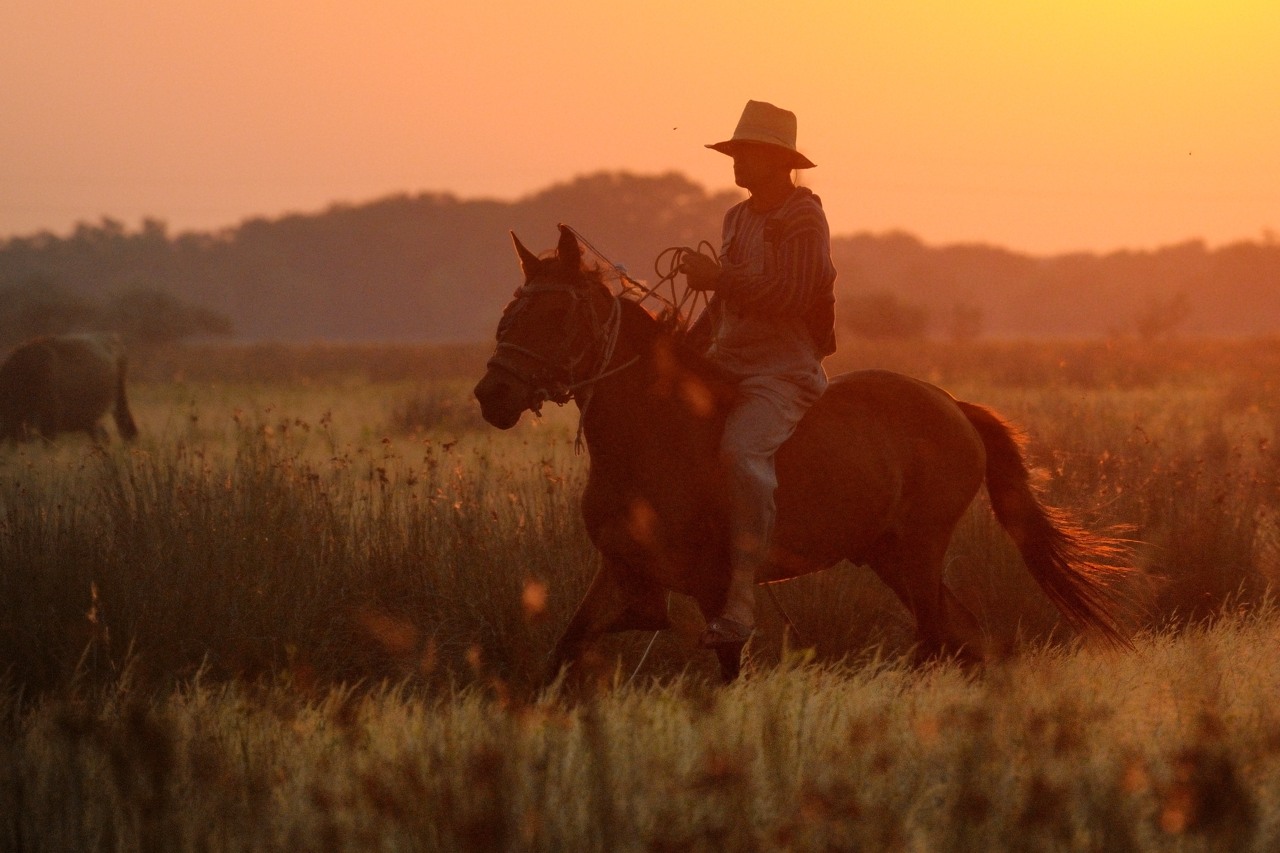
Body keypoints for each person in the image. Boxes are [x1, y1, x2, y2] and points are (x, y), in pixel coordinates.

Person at [679, 99, 837, 649]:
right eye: (734, 153)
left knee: (742, 455)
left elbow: (793, 296)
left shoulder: (803, 217)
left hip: (783, 371)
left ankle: (742, 601)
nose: (734, 163)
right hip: (731, 362)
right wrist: (683, 344)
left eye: (744, 153)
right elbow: (722, 307)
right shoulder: (736, 217)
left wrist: (717, 279)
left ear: (773, 160)